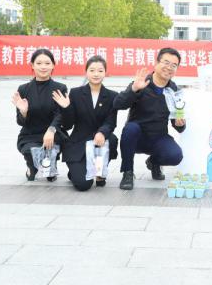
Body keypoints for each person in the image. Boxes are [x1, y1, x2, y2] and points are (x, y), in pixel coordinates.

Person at [52, 56, 145, 191]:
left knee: (111, 139)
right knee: (83, 185)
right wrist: (66, 108)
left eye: (100, 71)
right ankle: (75, 172)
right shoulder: (75, 93)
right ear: (86, 72)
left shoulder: (112, 95)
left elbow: (111, 122)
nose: (96, 74)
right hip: (79, 142)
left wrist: (102, 132)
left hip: (100, 141)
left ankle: (100, 172)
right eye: (92, 70)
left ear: (105, 73)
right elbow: (68, 125)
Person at [116, 47, 186, 190]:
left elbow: (177, 123)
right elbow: (118, 104)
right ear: (157, 63)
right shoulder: (142, 83)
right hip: (136, 137)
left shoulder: (174, 90)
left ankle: (154, 162)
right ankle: (128, 172)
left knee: (175, 155)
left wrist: (180, 124)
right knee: (130, 128)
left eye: (174, 65)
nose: (169, 68)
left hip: (158, 137)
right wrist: (133, 89)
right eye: (166, 62)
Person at [11, 49, 68, 182]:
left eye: (47, 63)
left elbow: (59, 115)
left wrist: (51, 130)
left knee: (49, 173)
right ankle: (32, 167)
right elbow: (20, 122)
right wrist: (23, 112)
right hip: (30, 135)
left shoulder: (60, 88)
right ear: (32, 65)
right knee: (31, 154)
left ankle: (50, 163)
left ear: (53, 65)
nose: (43, 67)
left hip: (53, 134)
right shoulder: (23, 89)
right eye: (39, 63)